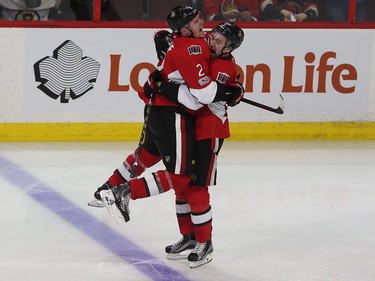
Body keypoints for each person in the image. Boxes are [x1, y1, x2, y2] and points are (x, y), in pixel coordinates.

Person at [99, 5, 244, 268]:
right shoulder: (199, 47)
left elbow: (204, 94)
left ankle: (204, 241)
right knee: (183, 186)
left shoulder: (221, 64)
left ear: (228, 48)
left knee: (193, 184)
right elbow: (174, 50)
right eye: (213, 35)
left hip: (208, 130)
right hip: (190, 123)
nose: (211, 38)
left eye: (219, 40)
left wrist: (230, 91)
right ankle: (189, 237)